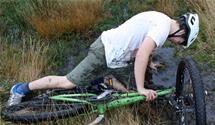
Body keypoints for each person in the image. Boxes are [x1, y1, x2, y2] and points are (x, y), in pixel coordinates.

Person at [7, 11, 199, 106]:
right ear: (182, 32)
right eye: (181, 41)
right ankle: (21, 88)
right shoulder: (162, 29)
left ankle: (109, 81)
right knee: (67, 83)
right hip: (106, 52)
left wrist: (149, 63)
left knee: (130, 92)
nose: (177, 44)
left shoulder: (163, 20)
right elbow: (141, 54)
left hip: (115, 52)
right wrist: (142, 88)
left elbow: (143, 49)